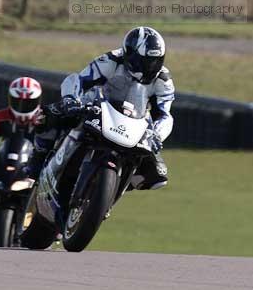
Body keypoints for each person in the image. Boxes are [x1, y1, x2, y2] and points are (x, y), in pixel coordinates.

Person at [32, 26, 175, 190]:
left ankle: (111, 188)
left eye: (154, 62)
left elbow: (165, 115)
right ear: (129, 53)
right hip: (95, 109)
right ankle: (33, 172)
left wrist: (156, 134)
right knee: (47, 115)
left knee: (156, 174)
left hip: (132, 124)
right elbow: (78, 80)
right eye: (143, 61)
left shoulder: (163, 80)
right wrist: (71, 100)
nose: (148, 67)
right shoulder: (112, 60)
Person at [0, 76, 42, 151]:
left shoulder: (45, 118)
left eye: (28, 103)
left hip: (36, 160)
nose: (22, 107)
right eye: (18, 102)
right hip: (5, 159)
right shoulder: (0, 117)